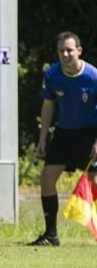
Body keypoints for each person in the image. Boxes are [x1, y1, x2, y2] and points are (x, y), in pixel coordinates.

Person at [29, 31, 97, 246]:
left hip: (89, 134)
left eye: (69, 50)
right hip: (64, 135)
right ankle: (51, 235)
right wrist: (42, 138)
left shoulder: (93, 76)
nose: (65, 54)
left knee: (95, 184)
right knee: (47, 178)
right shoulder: (52, 74)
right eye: (61, 50)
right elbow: (48, 105)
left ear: (79, 51)